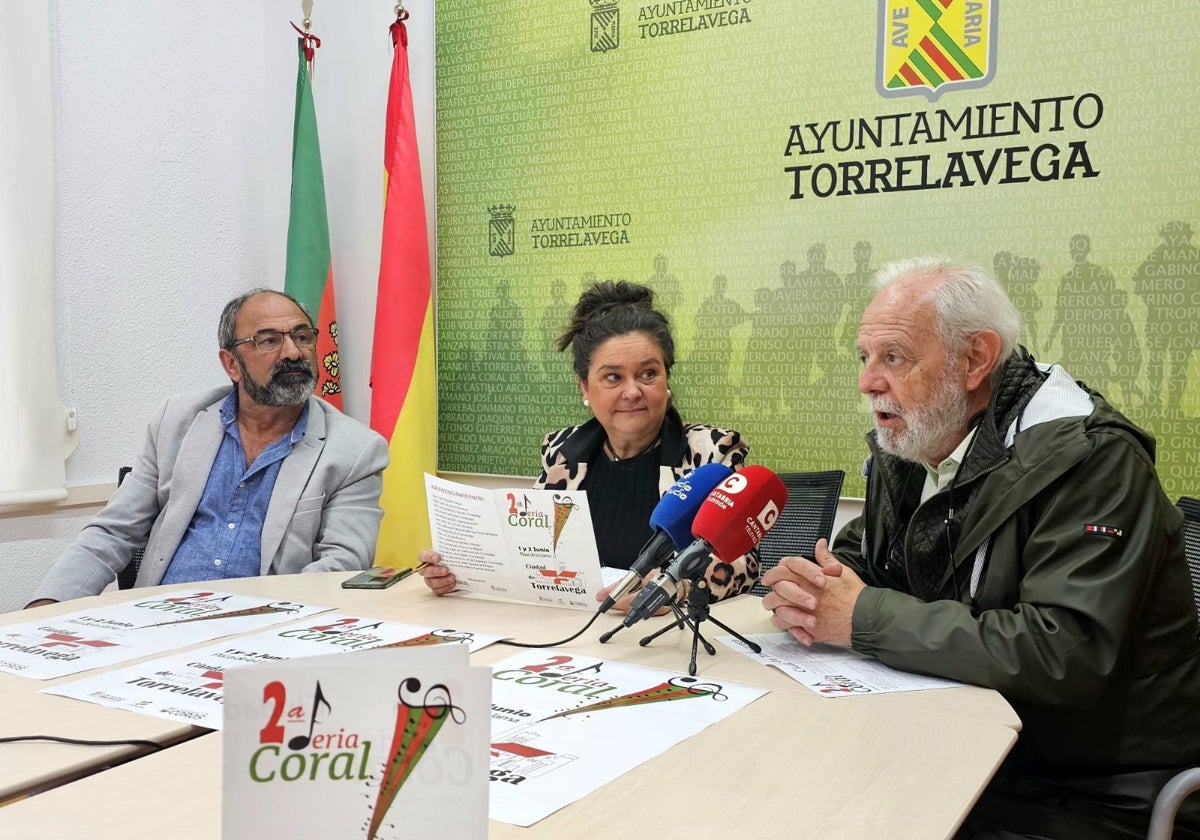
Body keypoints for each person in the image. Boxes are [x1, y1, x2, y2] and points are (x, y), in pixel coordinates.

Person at [762, 257, 1200, 839]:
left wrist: (861, 616)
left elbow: (1063, 654)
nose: (868, 381)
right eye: (864, 358)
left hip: (1090, 789)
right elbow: (873, 562)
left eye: (893, 357)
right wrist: (815, 586)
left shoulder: (1091, 459)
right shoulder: (919, 436)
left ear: (975, 360)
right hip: (960, 743)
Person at [26, 289, 389, 607]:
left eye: (302, 336)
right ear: (231, 363)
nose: (292, 352)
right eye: (268, 340)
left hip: (265, 627)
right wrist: (48, 605)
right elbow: (114, 532)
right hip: (155, 621)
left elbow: (342, 566)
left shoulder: (355, 450)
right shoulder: (177, 422)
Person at [419, 280, 758, 608]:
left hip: (661, 639)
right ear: (584, 387)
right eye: (613, 377)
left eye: (648, 374)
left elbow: (744, 561)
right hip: (574, 630)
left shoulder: (713, 452)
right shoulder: (561, 451)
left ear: (666, 380)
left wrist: (675, 591)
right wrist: (458, 570)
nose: (632, 391)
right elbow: (528, 554)